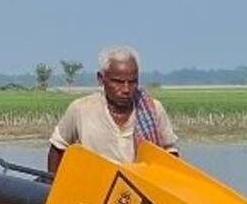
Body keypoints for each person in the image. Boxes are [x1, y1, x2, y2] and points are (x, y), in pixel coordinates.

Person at [47, 45, 179, 176]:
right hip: (97, 188)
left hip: (140, 190)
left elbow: (170, 154)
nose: (126, 89)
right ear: (101, 79)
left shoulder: (153, 109)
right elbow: (58, 147)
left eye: (132, 82)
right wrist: (53, 185)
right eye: (118, 82)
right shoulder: (80, 110)